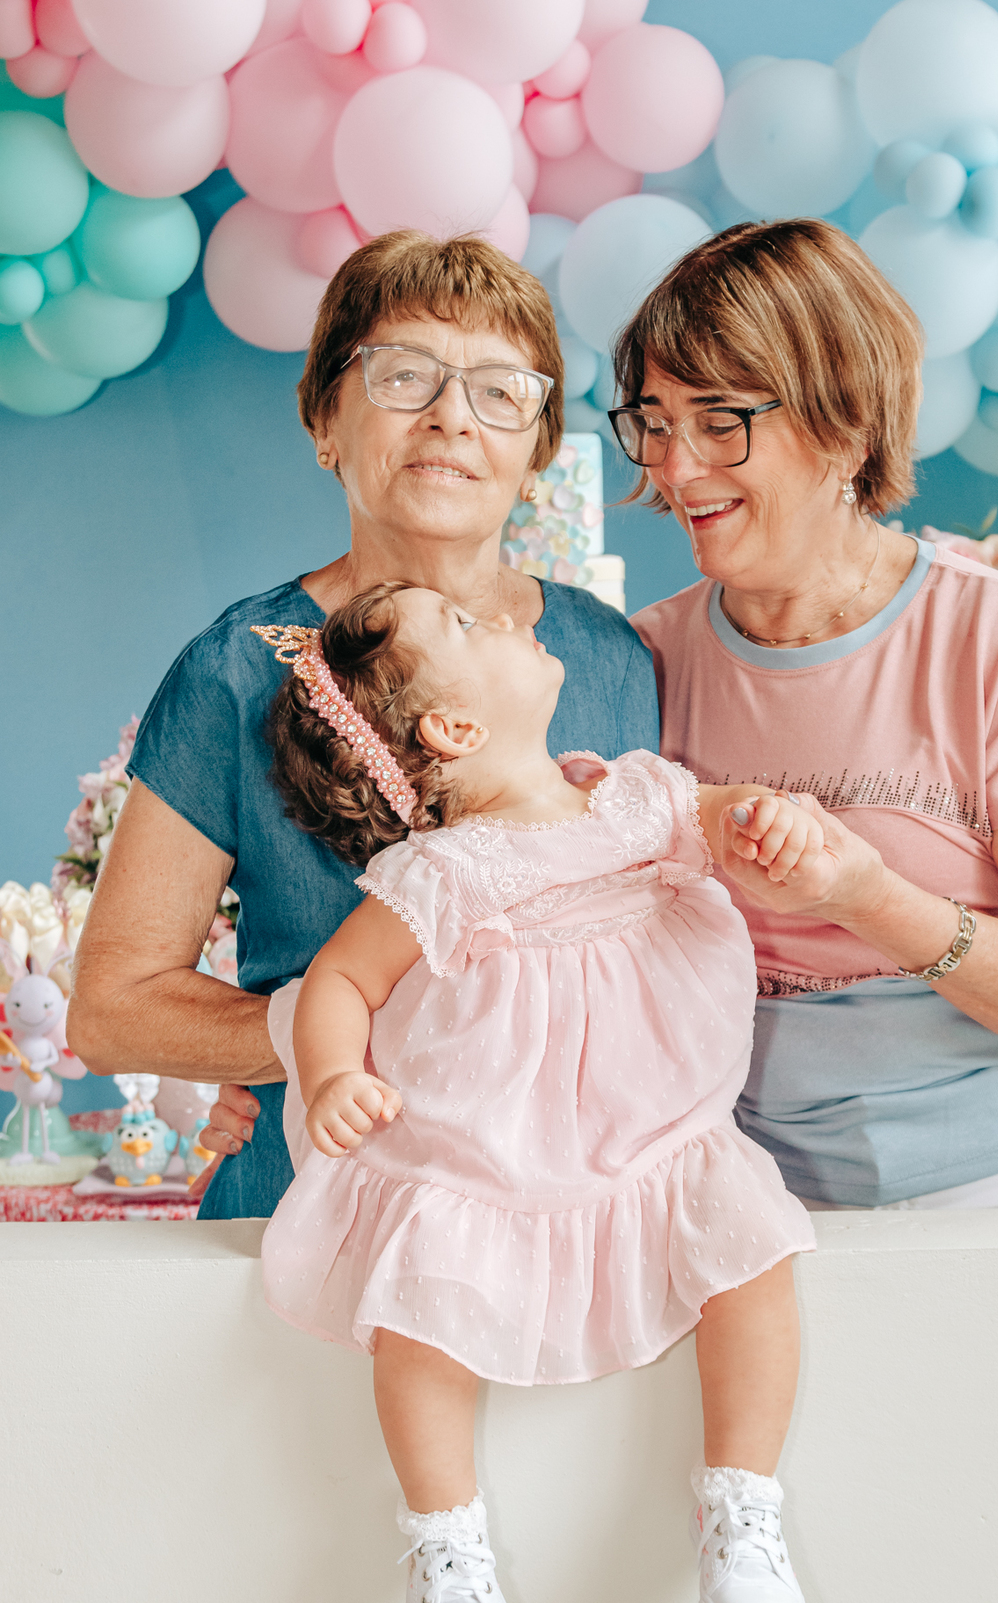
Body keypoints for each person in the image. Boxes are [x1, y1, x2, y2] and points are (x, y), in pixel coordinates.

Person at [254, 580, 817, 1603]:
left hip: (661, 1136)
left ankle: (744, 1504)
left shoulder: (633, 799)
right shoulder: (442, 874)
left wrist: (767, 817)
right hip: (492, 1150)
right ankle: (445, 1535)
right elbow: (339, 983)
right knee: (416, 1317)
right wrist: (329, 1075)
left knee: (756, 1262)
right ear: (454, 729)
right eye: (463, 627)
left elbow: (724, 818)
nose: (498, 613)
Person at [67, 232, 658, 1219]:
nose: (450, 419)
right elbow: (112, 1008)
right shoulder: (237, 670)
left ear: (537, 451)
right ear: (325, 422)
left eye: (500, 392)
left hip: (567, 1228)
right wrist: (322, 1038)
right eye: (402, 376)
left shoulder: (614, 658)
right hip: (315, 1212)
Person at [616, 218, 998, 1212]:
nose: (674, 467)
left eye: (721, 422)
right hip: (782, 1204)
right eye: (655, 421)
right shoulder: (641, 659)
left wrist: (866, 896)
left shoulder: (997, 636)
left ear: (843, 425)